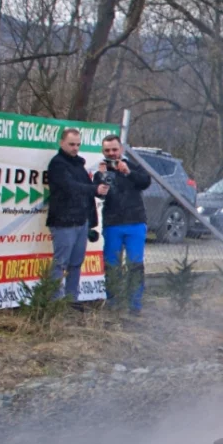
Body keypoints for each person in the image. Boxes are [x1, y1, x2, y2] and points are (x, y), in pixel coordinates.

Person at [46, 128, 109, 309]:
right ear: (62, 143)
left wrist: (100, 183)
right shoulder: (57, 164)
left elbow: (88, 188)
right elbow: (70, 187)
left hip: (81, 220)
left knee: (76, 263)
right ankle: (55, 302)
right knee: (60, 263)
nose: (75, 148)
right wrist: (94, 189)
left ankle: (71, 299)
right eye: (71, 144)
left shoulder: (78, 164)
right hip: (63, 221)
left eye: (78, 144)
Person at [93, 135, 151, 315]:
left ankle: (135, 305)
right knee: (111, 265)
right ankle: (114, 302)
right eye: (107, 150)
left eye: (114, 149)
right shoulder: (100, 173)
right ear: (103, 152)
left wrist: (128, 172)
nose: (111, 153)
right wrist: (102, 178)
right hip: (113, 224)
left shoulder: (133, 167)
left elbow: (145, 182)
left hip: (135, 222)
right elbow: (99, 195)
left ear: (121, 150)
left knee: (135, 264)